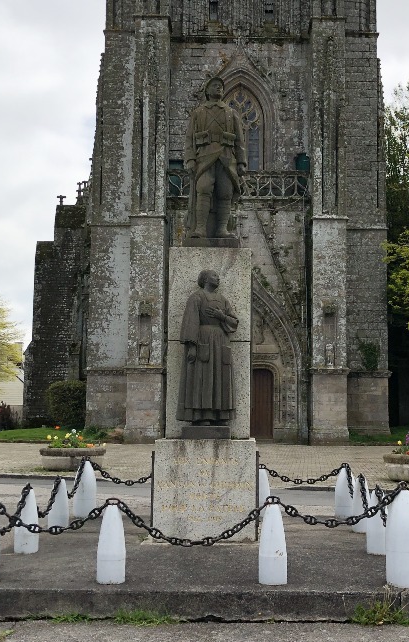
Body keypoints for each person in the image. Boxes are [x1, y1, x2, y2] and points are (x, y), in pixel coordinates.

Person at [184, 77, 247, 239]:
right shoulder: (198, 113)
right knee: (203, 189)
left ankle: (222, 230)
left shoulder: (231, 113)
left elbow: (240, 140)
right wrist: (190, 159)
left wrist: (241, 161)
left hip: (226, 158)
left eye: (220, 86)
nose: (218, 88)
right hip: (204, 157)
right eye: (214, 85)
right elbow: (190, 138)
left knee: (225, 193)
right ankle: (200, 229)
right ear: (207, 90)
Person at [177, 269, 238, 425]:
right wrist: (192, 346)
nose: (218, 278)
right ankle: (202, 415)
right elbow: (191, 322)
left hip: (221, 341)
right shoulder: (196, 298)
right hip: (202, 339)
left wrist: (222, 316)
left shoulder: (223, 300)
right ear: (204, 279)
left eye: (218, 276)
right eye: (214, 275)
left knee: (220, 378)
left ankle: (221, 415)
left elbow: (234, 322)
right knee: (203, 378)